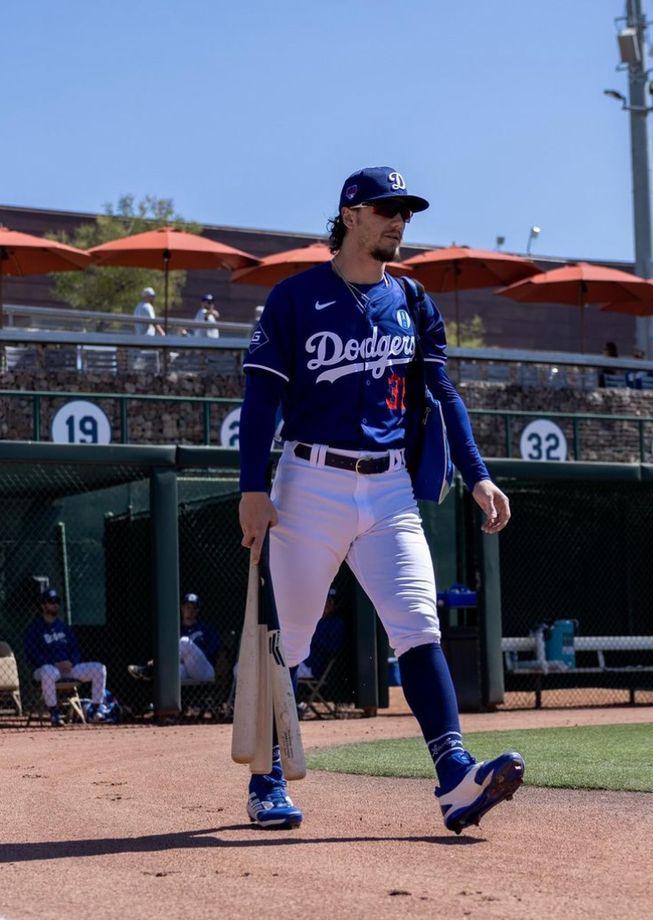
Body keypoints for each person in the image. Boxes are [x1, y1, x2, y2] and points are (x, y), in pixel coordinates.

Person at [238, 165, 524, 834]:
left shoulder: (414, 300)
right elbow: (260, 400)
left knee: (417, 621)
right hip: (309, 482)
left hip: (390, 485)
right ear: (350, 215)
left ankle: (454, 777)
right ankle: (266, 780)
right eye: (386, 208)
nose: (399, 221)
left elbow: (442, 393)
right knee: (290, 641)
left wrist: (477, 472)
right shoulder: (294, 296)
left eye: (406, 211)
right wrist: (253, 487)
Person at [24, 588, 108, 726]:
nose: (55, 604)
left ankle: (95, 710)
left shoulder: (64, 627)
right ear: (43, 605)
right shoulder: (34, 629)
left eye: (57, 601)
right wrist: (54, 663)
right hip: (45, 670)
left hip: (68, 669)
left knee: (99, 668)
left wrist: (71, 662)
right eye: (51, 601)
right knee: (48, 671)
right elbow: (32, 654)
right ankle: (54, 713)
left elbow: (75, 649)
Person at [128, 592, 221, 683]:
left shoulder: (206, 628)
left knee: (184, 641)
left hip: (204, 670)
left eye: (194, 608)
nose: (191, 611)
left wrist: (186, 655)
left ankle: (150, 668)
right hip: (185, 669)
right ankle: (150, 673)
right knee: (170, 673)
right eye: (188, 607)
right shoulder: (176, 630)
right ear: (182, 608)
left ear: (198, 611)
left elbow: (213, 651)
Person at [295, 587, 346, 682]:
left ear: (335, 604)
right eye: (325, 600)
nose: (326, 604)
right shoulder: (315, 619)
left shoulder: (336, 623)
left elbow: (333, 649)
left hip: (312, 667)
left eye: (330, 601)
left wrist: (313, 637)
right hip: (301, 659)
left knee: (287, 669)